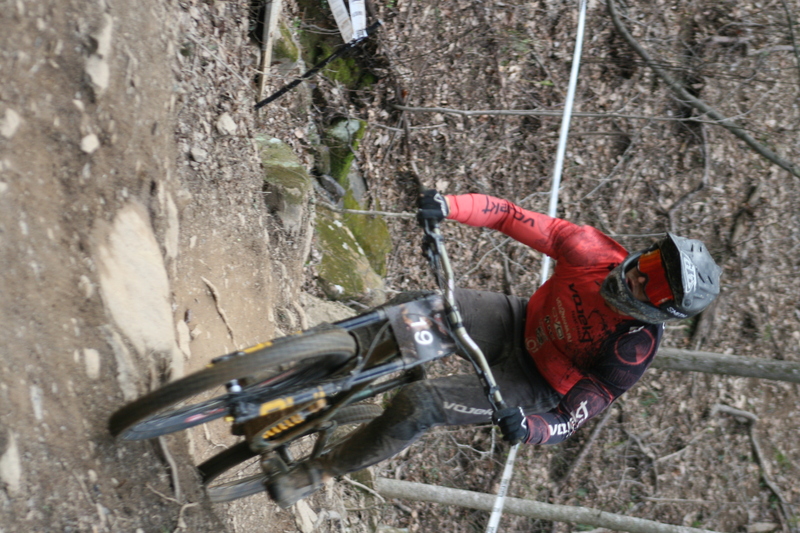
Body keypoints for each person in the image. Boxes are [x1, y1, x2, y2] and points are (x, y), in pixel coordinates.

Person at [267, 190, 722, 508]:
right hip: (515, 322)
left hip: (532, 385)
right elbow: (507, 215)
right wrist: (449, 206)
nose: (640, 277)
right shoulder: (591, 252)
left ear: (664, 312)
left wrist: (530, 428)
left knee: (417, 402)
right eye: (649, 263)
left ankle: (315, 473)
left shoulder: (631, 350)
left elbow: (569, 420)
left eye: (657, 286)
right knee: (409, 309)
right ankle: (300, 369)